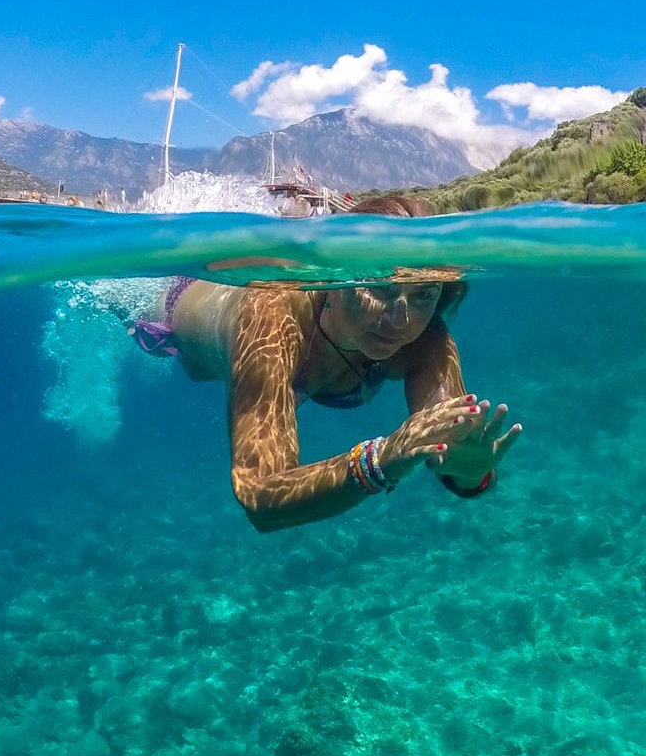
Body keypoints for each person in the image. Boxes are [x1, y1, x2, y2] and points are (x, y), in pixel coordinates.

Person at [128, 195, 522, 532]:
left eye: (423, 295)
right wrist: (379, 460)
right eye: (380, 288)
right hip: (179, 302)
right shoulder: (271, 314)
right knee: (187, 361)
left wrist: (471, 474)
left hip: (253, 352)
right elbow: (261, 496)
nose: (400, 320)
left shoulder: (425, 335)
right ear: (335, 278)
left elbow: (453, 447)